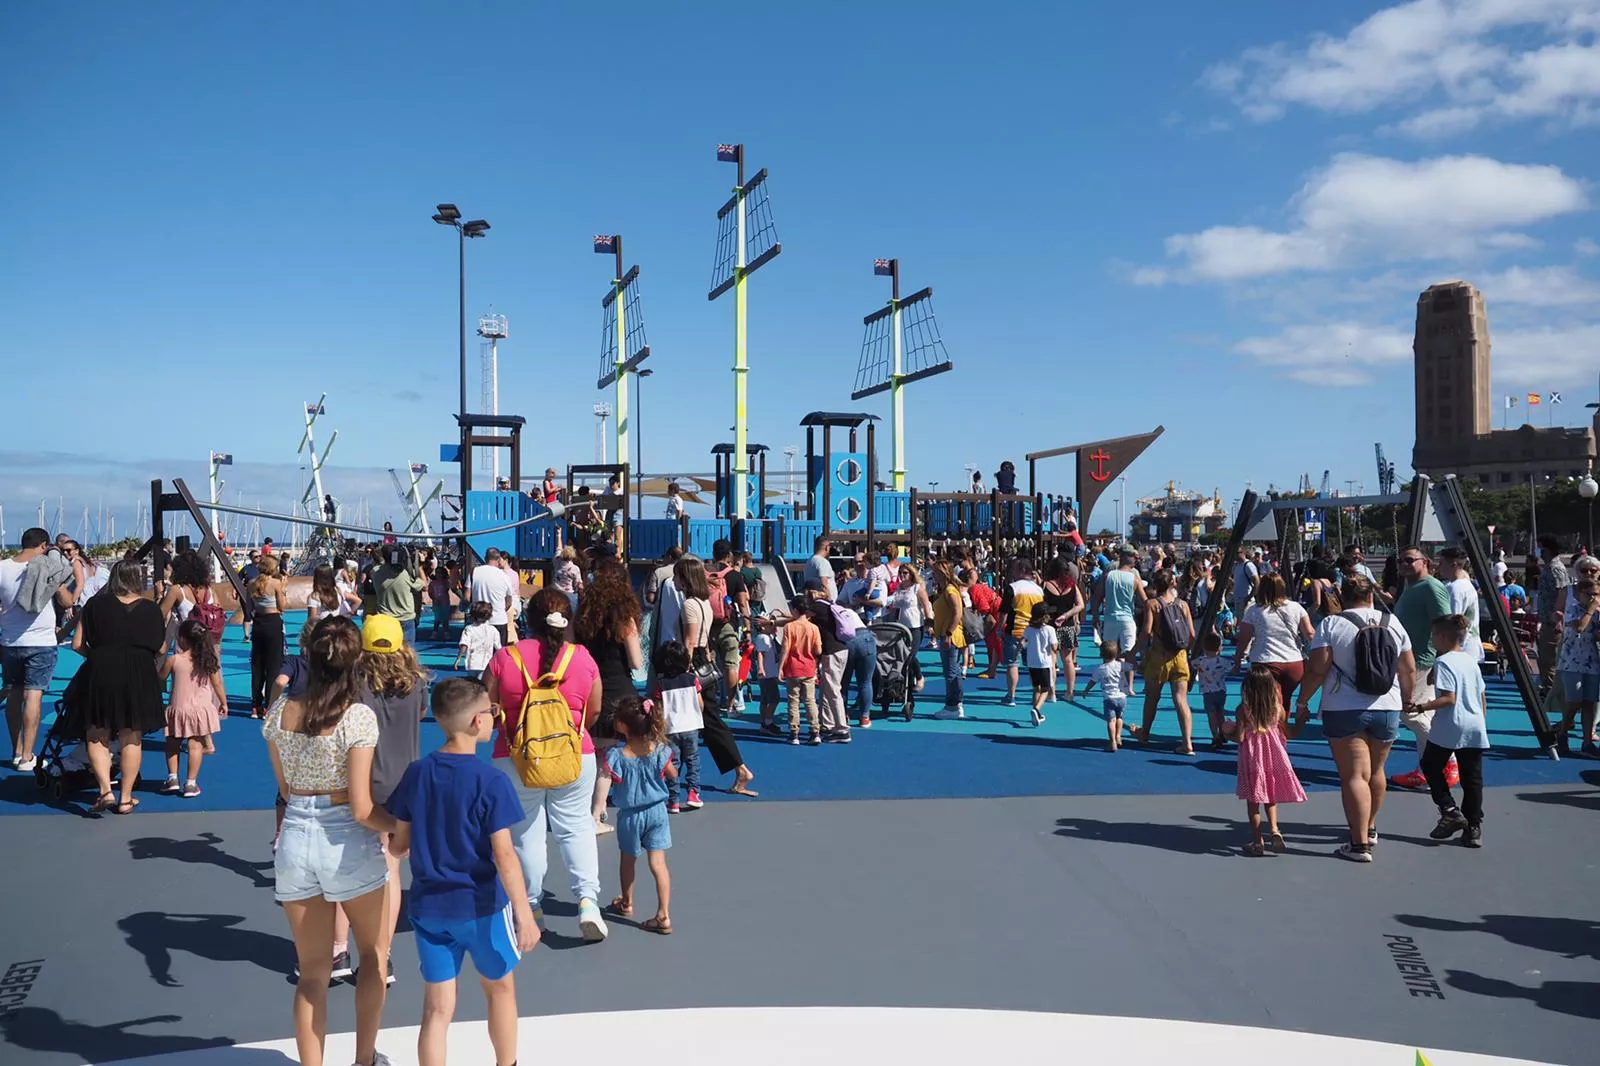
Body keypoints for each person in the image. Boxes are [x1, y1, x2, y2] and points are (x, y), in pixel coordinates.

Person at [263, 615, 395, 1066]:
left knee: (312, 974)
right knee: (372, 960)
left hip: (296, 837)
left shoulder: (280, 712)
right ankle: (364, 1060)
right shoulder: (357, 718)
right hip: (348, 843)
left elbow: (285, 789)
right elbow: (362, 807)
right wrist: (397, 824)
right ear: (355, 662)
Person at [385, 677, 537, 1066]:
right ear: (475, 722)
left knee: (437, 1009)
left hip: (429, 908)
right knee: (500, 990)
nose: (494, 718)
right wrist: (524, 915)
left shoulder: (417, 773)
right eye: (491, 712)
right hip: (481, 907)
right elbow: (504, 854)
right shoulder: (490, 781)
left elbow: (398, 845)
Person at [483, 588, 609, 943]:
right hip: (573, 754)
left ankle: (531, 903)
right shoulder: (582, 658)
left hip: (516, 756)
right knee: (576, 827)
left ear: (529, 618)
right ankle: (587, 902)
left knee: (526, 832)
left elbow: (486, 710)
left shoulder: (505, 658)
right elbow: (595, 710)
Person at [1293, 575, 1416, 864]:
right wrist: (1407, 699)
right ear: (1372, 594)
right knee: (1377, 771)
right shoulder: (1392, 622)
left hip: (1344, 706)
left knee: (1354, 776)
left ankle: (1359, 843)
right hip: (1387, 705)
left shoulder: (1332, 625)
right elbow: (1408, 668)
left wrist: (1302, 700)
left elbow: (1318, 669)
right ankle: (1370, 826)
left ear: (1342, 596)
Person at [358, 614, 431, 986]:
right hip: (407, 782)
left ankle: (362, 950)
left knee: (363, 870)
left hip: (367, 783)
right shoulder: (416, 683)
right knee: (393, 869)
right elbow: (420, 714)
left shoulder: (357, 684)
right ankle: (384, 955)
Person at [65, 560, 166, 813]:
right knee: (131, 734)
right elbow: (161, 647)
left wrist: (98, 655)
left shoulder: (94, 606)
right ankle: (126, 797)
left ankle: (105, 790)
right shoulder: (151, 609)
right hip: (139, 672)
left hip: (101, 670)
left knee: (97, 731)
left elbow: (77, 644)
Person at [2, 528, 81, 769]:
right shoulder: (45, 566)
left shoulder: (3, 566)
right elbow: (67, 601)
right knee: (33, 695)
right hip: (41, 641)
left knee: (14, 694)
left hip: (10, 641)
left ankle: (16, 750)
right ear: (44, 545)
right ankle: (27, 756)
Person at [603, 696, 675, 934]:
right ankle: (663, 915)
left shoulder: (617, 755)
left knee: (628, 860)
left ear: (622, 725)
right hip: (657, 813)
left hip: (631, 816)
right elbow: (672, 773)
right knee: (658, 863)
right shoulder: (660, 751)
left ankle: (627, 902)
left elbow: (609, 777)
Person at [1418, 614, 1489, 848]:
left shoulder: (1443, 662)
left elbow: (1449, 698)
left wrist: (1421, 706)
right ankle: (1473, 827)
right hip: (1474, 723)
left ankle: (1449, 809)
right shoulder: (1469, 660)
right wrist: (1481, 719)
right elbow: (1481, 695)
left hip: (1451, 725)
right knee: (1472, 778)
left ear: (1441, 636)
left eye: (1433, 636)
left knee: (1430, 764)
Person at [1391, 546, 1456, 792]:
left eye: (1410, 560)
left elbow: (1445, 623)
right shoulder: (1412, 587)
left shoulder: (1431, 587)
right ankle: (1426, 770)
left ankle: (1447, 759)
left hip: (1421, 660)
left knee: (1411, 713)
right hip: (1408, 659)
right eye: (1401, 561)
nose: (1404, 564)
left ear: (1425, 562)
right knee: (1422, 716)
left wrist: (1441, 661)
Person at [1230, 664, 1307, 857]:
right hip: (1273, 758)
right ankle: (1274, 829)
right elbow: (1289, 733)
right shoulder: (1278, 709)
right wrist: (1300, 722)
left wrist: (1226, 731)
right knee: (1270, 795)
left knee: (1253, 800)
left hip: (1252, 759)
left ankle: (1257, 842)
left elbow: (1239, 738)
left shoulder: (1243, 710)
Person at [159, 618, 226, 799]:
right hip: (199, 709)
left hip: (178, 708)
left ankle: (172, 777)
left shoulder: (174, 660)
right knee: (195, 745)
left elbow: (160, 679)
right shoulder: (207, 661)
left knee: (172, 743)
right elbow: (217, 684)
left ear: (183, 639)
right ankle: (190, 783)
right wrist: (223, 702)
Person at [1131, 569, 1196, 754]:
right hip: (1180, 655)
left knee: (1152, 697)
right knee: (1181, 699)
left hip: (1159, 655)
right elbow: (1191, 634)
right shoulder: (1183, 605)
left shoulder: (1152, 604)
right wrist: (1186, 651)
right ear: (1173, 583)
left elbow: (1146, 632)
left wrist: (1133, 652)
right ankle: (1187, 742)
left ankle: (1145, 733)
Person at [1232, 572, 1314, 713]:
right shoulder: (1296, 608)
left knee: (1265, 703)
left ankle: (1267, 732)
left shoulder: (1254, 611)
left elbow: (1244, 638)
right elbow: (1310, 633)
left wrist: (1238, 659)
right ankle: (1283, 730)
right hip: (1293, 663)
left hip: (1266, 661)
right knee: (1285, 700)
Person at [652, 640, 702, 813]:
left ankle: (673, 800)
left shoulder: (661, 684)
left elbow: (659, 709)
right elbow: (700, 703)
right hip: (691, 725)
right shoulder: (692, 680)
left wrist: (657, 727)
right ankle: (693, 793)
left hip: (670, 727)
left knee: (673, 762)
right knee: (692, 760)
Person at [1554, 567, 1600, 756]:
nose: (1592, 597)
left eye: (1595, 594)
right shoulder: (1573, 610)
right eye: (1588, 594)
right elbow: (1579, 627)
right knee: (1574, 702)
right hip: (1572, 661)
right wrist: (1590, 610)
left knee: (1589, 702)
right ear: (1579, 594)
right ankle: (1562, 732)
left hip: (1591, 662)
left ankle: (1587, 741)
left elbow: (1596, 635)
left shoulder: (1597, 613)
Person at [997, 560, 1046, 709]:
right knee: (1033, 664)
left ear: (1022, 570)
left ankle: (1011, 695)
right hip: (1033, 631)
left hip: (1015, 630)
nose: (1012, 572)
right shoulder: (1039, 590)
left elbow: (1004, 611)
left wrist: (999, 628)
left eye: (1014, 569)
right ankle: (1035, 694)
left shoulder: (1012, 588)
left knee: (1012, 664)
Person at [777, 596, 823, 743]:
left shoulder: (789, 627)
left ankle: (794, 732)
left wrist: (781, 667)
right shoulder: (813, 628)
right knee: (810, 700)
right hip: (809, 668)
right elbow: (818, 650)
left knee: (793, 700)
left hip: (793, 668)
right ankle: (815, 731)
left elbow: (785, 648)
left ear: (796, 610)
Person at [249, 555, 288, 719]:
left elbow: (248, 605)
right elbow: (282, 606)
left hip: (258, 622)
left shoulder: (251, 584)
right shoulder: (276, 583)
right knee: (273, 664)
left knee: (257, 664)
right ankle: (269, 705)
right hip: (272, 623)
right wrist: (284, 591)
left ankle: (256, 705)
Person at [930, 564, 968, 720]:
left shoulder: (950, 590)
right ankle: (956, 703)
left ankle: (952, 705)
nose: (933, 575)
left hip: (950, 635)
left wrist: (948, 633)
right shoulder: (945, 590)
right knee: (954, 671)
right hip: (947, 633)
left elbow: (957, 612)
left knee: (950, 671)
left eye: (936, 573)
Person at [1535, 533, 1571, 691]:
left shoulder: (1555, 569)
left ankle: (1552, 694)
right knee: (1544, 659)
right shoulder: (1548, 568)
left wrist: (1558, 620)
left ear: (1547, 549)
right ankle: (1548, 690)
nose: (1539, 552)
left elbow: (1562, 593)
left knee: (1549, 661)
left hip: (1553, 623)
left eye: (1540, 548)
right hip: (1547, 621)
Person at [1083, 639, 1132, 751]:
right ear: (1117, 653)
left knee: (1111, 721)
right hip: (1122, 696)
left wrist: (1086, 690)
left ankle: (1112, 742)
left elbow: (1093, 681)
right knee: (1120, 718)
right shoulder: (1120, 665)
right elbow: (1131, 667)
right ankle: (1119, 736)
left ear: (1101, 654)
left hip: (1109, 698)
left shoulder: (1100, 669)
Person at [369, 547, 425, 645]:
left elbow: (378, 566)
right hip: (405, 618)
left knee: (388, 652)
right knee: (407, 652)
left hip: (385, 618)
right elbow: (424, 585)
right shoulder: (406, 575)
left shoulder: (375, 572)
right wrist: (418, 566)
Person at [469, 550, 519, 647]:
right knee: (499, 653)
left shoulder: (474, 572)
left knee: (479, 652)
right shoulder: (505, 576)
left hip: (479, 619)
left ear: (485, 558)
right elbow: (509, 600)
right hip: (499, 619)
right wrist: (501, 610)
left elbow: (467, 597)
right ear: (498, 559)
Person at [1193, 631, 1231, 751]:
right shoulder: (1223, 661)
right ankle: (1223, 733)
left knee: (1211, 715)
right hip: (1221, 691)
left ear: (1204, 647)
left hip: (1208, 692)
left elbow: (1191, 664)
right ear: (1220, 647)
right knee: (1221, 713)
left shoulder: (1200, 661)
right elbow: (1233, 667)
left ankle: (1215, 736)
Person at [1023, 604, 1056, 727]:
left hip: (1032, 663)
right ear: (1045, 617)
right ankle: (1036, 709)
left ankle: (1036, 713)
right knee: (1045, 689)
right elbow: (1054, 646)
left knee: (1036, 687)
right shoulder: (1049, 630)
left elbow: (1023, 642)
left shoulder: (1029, 629)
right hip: (1044, 663)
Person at [452, 601, 502, 674]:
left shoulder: (469, 629)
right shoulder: (493, 630)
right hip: (486, 664)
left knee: (471, 683)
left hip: (472, 664)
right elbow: (498, 647)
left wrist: (458, 658)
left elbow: (464, 645)